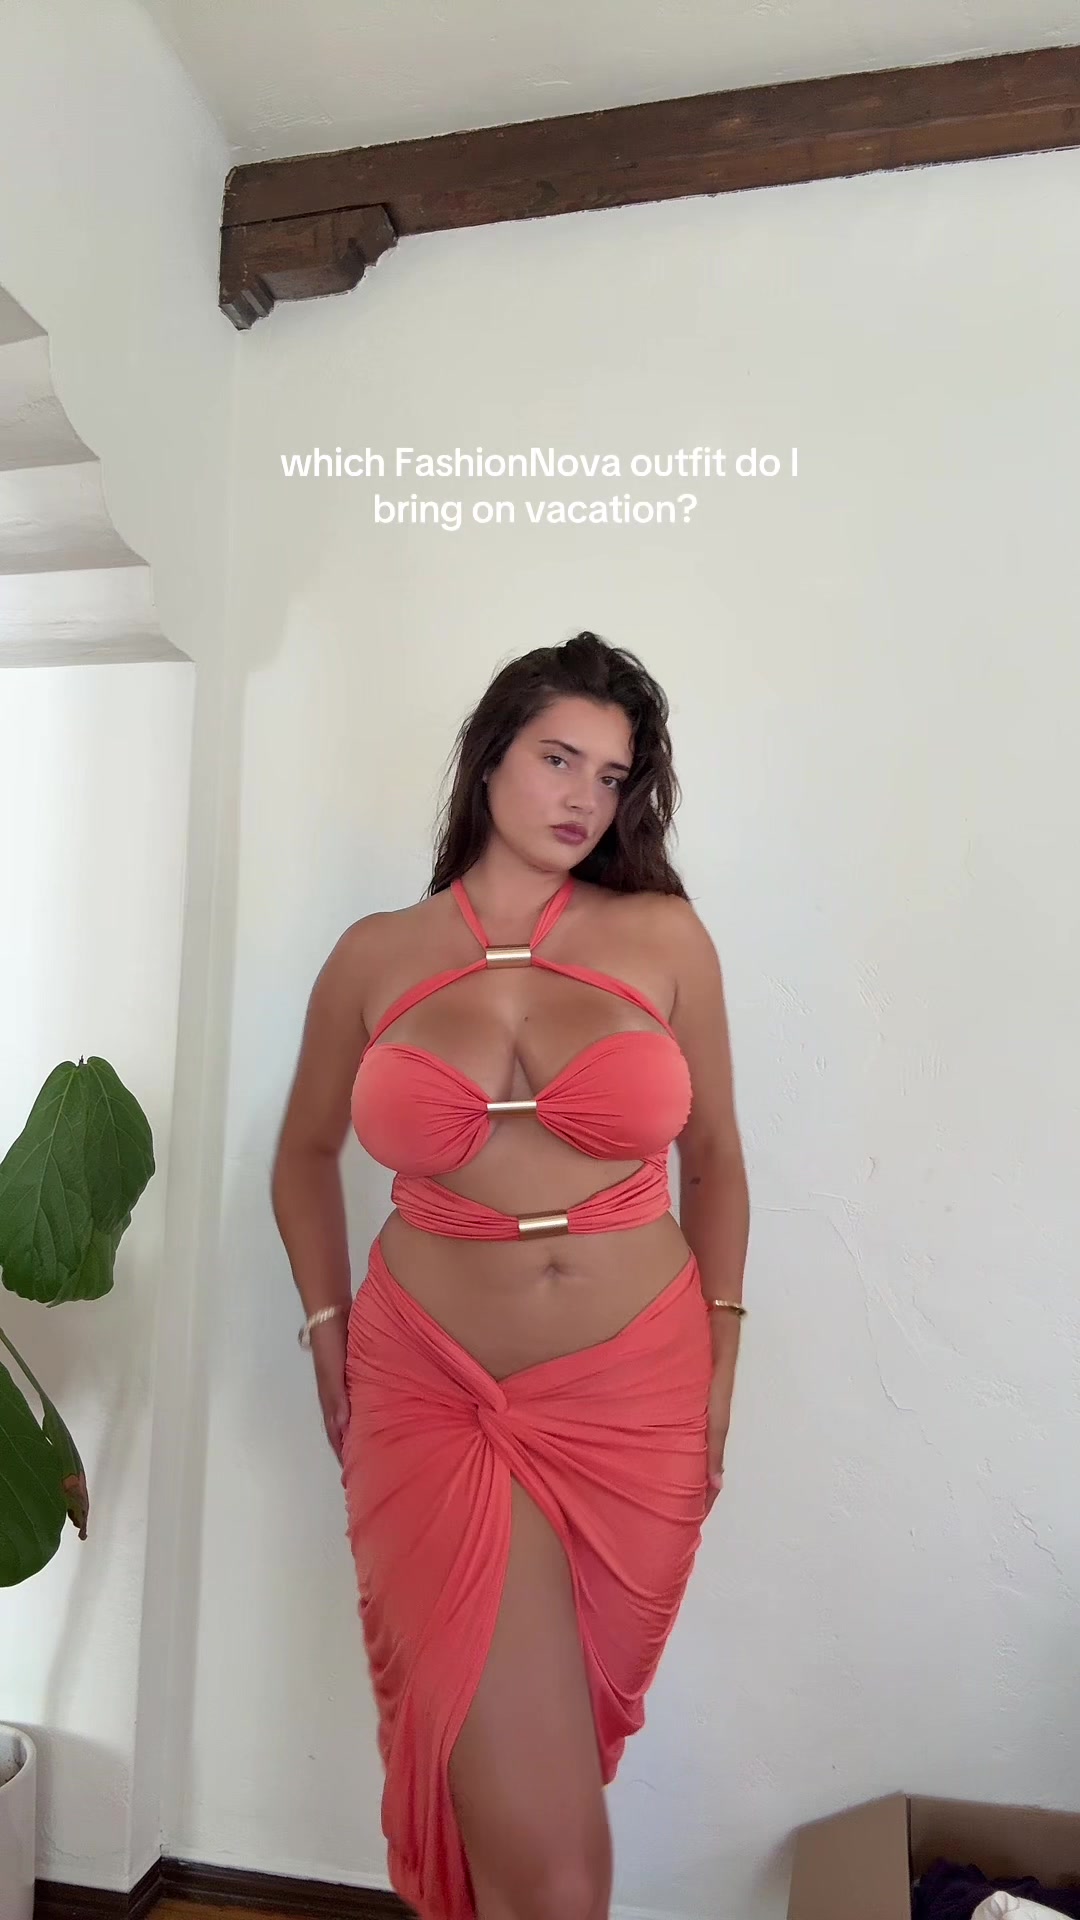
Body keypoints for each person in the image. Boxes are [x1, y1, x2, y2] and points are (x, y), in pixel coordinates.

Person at [270, 630, 750, 1920]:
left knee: (548, 1804)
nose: (585, 798)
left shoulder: (663, 937)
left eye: (613, 776)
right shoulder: (375, 954)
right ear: (488, 758)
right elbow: (303, 1154)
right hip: (429, 1388)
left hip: (632, 1391)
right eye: (558, 758)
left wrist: (724, 1352)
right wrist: (326, 1328)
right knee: (539, 1839)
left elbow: (715, 1160)